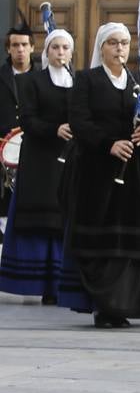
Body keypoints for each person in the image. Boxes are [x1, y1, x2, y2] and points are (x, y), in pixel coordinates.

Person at [59, 23, 140, 327]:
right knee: (101, 237)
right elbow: (79, 121)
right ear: (101, 47)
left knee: (132, 234)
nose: (120, 49)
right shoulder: (87, 80)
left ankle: (128, 302)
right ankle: (104, 305)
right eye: (113, 43)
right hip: (98, 171)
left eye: (124, 43)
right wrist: (109, 144)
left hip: (135, 172)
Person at [0, 28, 74, 302]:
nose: (60, 53)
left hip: (66, 161)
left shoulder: (76, 82)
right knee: (40, 221)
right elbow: (28, 120)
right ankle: (35, 282)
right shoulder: (33, 81)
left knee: (61, 219)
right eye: (55, 47)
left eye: (65, 48)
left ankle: (58, 284)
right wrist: (55, 129)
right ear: (46, 51)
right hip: (39, 161)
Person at [1, 22, 35, 229]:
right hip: (3, 148)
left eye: (24, 45)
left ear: (32, 47)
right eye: (15, 45)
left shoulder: (42, 77)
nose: (20, 50)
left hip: (34, 147)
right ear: (8, 48)